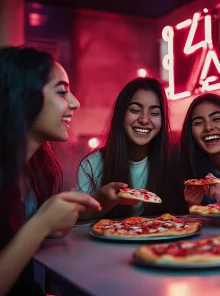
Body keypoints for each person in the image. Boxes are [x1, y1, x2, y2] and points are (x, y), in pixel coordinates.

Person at [0, 46, 101, 295]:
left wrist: (53, 223)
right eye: (62, 92)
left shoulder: (34, 168)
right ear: (23, 95)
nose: (75, 103)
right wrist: (42, 223)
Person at [77, 77, 187, 219]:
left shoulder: (176, 160)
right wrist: (101, 199)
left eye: (154, 113)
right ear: (121, 115)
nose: (144, 120)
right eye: (135, 110)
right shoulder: (92, 165)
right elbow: (75, 219)